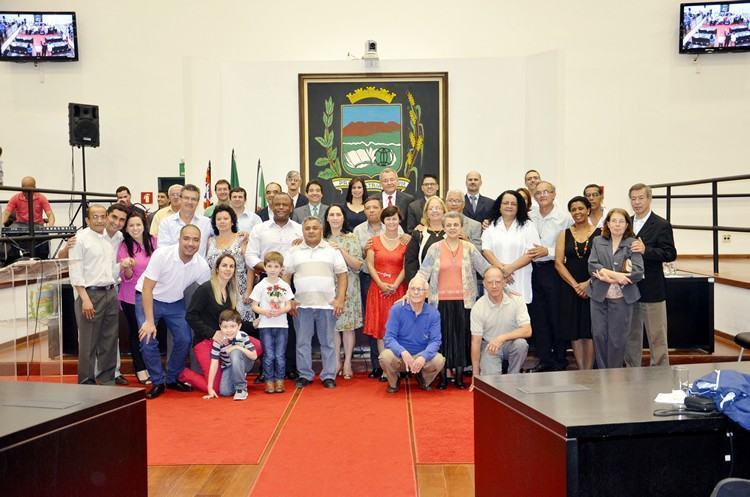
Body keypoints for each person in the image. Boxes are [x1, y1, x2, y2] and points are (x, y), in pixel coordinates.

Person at [136, 225, 211, 399]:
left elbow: (206, 293)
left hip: (174, 302)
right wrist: (149, 321)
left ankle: (171, 379)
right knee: (147, 338)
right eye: (187, 238)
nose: (190, 243)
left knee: (184, 339)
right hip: (149, 298)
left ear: (200, 242)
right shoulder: (162, 255)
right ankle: (157, 382)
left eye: (195, 240)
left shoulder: (201, 265)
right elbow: (147, 289)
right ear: (179, 239)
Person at [418, 211, 490, 389]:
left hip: (464, 302)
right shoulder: (434, 248)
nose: (452, 228)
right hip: (439, 302)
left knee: (460, 339)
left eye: (455, 225)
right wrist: (412, 288)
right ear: (443, 227)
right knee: (442, 340)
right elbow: (423, 272)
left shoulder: (469, 248)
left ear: (461, 227)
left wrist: (504, 283)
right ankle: (442, 378)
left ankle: (458, 378)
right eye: (448, 225)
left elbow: (485, 269)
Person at [284, 217, 347, 389]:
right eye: (308, 228)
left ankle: (328, 375)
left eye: (315, 228)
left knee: (328, 342)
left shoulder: (331, 250)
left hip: (327, 305)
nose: (311, 231)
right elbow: (286, 276)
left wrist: (340, 299)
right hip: (302, 306)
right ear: (303, 231)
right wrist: (289, 299)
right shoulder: (293, 251)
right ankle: (305, 375)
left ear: (321, 230)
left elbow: (342, 275)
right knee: (303, 342)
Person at [244, 193, 303, 380]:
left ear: (291, 207)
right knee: (265, 324)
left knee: (291, 327)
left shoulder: (300, 230)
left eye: (285, 204)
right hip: (266, 281)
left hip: (293, 282)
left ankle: (290, 367)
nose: (281, 207)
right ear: (271, 205)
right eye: (277, 204)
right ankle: (265, 370)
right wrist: (271, 270)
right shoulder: (260, 229)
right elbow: (251, 256)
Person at [181, 253, 254, 392]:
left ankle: (234, 373)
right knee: (216, 388)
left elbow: (232, 322)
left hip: (224, 340)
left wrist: (255, 324)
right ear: (217, 269)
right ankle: (184, 374)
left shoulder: (230, 291)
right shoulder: (205, 289)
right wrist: (212, 333)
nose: (228, 269)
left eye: (231, 266)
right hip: (205, 340)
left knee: (256, 345)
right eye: (224, 265)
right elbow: (191, 316)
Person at [352, 197, 407, 378]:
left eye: (394, 219)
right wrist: (382, 284)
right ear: (384, 221)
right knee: (382, 330)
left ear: (399, 221)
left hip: (398, 290)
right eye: (388, 219)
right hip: (378, 288)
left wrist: (395, 284)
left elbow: (407, 266)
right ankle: (386, 369)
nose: (391, 222)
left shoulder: (405, 242)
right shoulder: (373, 241)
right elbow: (370, 265)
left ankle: (399, 366)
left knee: (399, 329)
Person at [624, 183, 677, 368]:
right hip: (629, 289)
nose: (637, 202)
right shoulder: (625, 223)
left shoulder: (661, 224)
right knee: (631, 336)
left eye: (641, 198)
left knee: (657, 337)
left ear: (649, 199)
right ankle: (631, 373)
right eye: (633, 198)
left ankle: (660, 375)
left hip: (653, 290)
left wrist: (647, 250)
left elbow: (670, 254)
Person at [69, 205, 119, 385]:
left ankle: (106, 379)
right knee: (88, 343)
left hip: (110, 293)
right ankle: (86, 382)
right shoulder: (79, 240)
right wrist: (85, 299)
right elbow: (75, 271)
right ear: (87, 220)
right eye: (95, 217)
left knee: (110, 340)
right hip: (90, 295)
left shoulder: (108, 239)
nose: (99, 220)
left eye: (102, 216)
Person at [587, 208, 644, 369]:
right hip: (599, 296)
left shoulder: (633, 243)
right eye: (614, 221)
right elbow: (592, 266)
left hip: (622, 298)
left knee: (617, 339)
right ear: (608, 224)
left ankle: (614, 374)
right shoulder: (598, 241)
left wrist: (609, 276)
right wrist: (616, 276)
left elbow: (638, 272)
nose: (617, 225)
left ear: (627, 225)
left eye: (621, 221)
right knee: (598, 335)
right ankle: (603, 374)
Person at [528, 180, 571, 372]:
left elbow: (570, 248)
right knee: (538, 316)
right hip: (532, 270)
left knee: (557, 315)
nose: (542, 195)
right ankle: (544, 359)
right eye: (538, 193)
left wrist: (550, 251)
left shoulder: (564, 218)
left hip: (554, 270)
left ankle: (560, 359)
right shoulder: (529, 216)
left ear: (554, 194)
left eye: (546, 192)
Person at [555, 196, 599, 370]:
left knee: (589, 331)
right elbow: (558, 263)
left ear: (588, 210)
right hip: (570, 288)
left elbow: (605, 262)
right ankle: (581, 369)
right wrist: (575, 285)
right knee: (574, 331)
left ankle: (589, 371)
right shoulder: (564, 233)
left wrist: (588, 284)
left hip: (594, 286)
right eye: (573, 209)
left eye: (581, 208)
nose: (577, 212)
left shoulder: (600, 233)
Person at [380, 276, 445, 393]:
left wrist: (423, 357)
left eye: (419, 289)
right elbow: (389, 338)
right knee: (385, 357)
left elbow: (436, 341)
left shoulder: (433, 313)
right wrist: (402, 352)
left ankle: (423, 379)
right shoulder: (397, 309)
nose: (415, 292)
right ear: (407, 292)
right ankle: (394, 381)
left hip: (421, 354)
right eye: (413, 289)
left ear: (426, 293)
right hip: (400, 355)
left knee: (439, 360)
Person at [469, 267, 531, 389]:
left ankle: (514, 378)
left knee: (521, 344)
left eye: (497, 282)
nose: (494, 286)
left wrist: (502, 338)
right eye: (490, 282)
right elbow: (475, 342)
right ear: (484, 284)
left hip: (511, 344)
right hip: (490, 346)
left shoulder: (517, 300)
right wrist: (475, 375)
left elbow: (527, 330)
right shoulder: (478, 307)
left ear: (504, 282)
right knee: (491, 387)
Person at [117, 210, 157, 384]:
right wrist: (127, 267)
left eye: (138, 224)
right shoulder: (124, 246)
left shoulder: (154, 241)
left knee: (151, 333)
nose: (135, 228)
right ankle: (140, 369)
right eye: (131, 225)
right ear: (126, 228)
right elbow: (126, 277)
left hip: (153, 295)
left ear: (144, 225)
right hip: (131, 296)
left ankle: (152, 367)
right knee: (137, 333)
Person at [324, 204, 363, 379]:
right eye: (331, 214)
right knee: (333, 326)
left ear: (343, 218)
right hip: (327, 288)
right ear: (326, 218)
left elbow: (357, 265)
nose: (334, 217)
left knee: (347, 328)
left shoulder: (352, 238)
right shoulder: (321, 239)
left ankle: (347, 362)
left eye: (338, 214)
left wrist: (341, 251)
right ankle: (336, 362)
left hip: (349, 288)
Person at [481, 190, 539, 303]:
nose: (509, 206)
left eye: (513, 204)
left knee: (519, 315)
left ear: (519, 207)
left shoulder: (528, 226)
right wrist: (502, 271)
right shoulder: (491, 225)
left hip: (519, 278)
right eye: (505, 203)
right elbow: (486, 250)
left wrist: (510, 268)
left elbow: (532, 252)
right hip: (495, 279)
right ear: (499, 206)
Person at [250, 251, 294, 394]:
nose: (273, 269)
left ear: (281, 268)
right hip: (265, 326)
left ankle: (279, 381)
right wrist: (264, 312)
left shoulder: (285, 285)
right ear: (265, 267)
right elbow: (254, 305)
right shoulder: (260, 286)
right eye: (270, 266)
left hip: (282, 325)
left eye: (276, 266)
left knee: (280, 355)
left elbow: (289, 305)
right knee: (269, 355)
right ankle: (269, 382)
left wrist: (282, 311)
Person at [207, 205, 253, 321]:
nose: (222, 221)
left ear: (232, 221)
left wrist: (248, 290)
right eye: (218, 219)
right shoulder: (210, 241)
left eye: (226, 218)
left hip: (239, 290)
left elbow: (250, 266)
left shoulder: (242, 239)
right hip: (217, 290)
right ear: (214, 223)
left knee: (240, 326)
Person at [202, 309, 258, 401]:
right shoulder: (218, 340)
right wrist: (210, 387)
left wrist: (237, 347)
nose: (229, 330)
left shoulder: (243, 336)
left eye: (232, 326)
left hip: (246, 363)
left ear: (239, 326)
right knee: (225, 392)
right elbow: (214, 363)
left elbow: (254, 356)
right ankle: (238, 376)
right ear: (220, 327)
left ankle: (241, 388)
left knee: (235, 352)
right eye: (225, 327)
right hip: (229, 366)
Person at [157, 184, 213, 256]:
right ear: (180, 199)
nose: (189, 202)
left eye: (193, 199)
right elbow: (163, 251)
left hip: (199, 267)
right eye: (186, 198)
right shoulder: (166, 223)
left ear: (198, 202)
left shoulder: (206, 223)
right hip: (174, 266)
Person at [405, 196, 447, 283]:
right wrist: (415, 283)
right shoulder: (419, 234)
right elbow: (410, 263)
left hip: (448, 285)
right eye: (431, 208)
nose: (434, 211)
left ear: (444, 211)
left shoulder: (451, 234)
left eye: (438, 208)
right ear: (426, 213)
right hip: (424, 285)